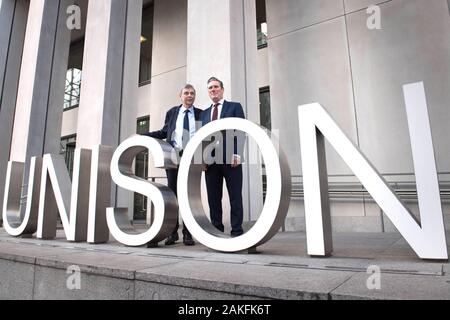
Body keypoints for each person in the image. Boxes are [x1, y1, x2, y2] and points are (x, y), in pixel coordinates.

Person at [143, 84, 202, 246]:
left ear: (194, 96)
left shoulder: (201, 114)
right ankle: (172, 233)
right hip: (173, 159)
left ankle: (188, 234)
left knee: (189, 197)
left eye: (192, 93)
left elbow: (205, 138)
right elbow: (164, 132)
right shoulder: (172, 113)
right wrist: (143, 135)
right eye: (186, 93)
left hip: (191, 160)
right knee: (173, 197)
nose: (189, 96)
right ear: (180, 95)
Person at [202, 77, 246, 237]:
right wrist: (202, 159)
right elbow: (203, 138)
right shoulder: (205, 113)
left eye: (215, 87)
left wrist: (237, 154)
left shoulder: (234, 107)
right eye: (210, 88)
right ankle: (217, 231)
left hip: (231, 159)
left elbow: (241, 131)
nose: (213, 90)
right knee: (213, 199)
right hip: (211, 163)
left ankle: (237, 231)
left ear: (222, 89)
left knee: (235, 196)